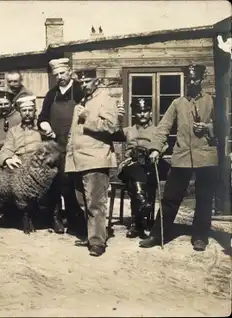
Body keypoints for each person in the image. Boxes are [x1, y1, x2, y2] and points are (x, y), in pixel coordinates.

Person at [140, 64, 219, 251]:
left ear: (202, 79)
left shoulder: (212, 101)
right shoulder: (177, 104)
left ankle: (200, 236)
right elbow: (163, 128)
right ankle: (157, 234)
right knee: (170, 197)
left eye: (195, 79)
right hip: (182, 156)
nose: (191, 82)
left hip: (207, 156)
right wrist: (155, 149)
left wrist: (208, 128)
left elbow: (224, 128)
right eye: (189, 79)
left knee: (204, 197)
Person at [0, 95, 65, 233]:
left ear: (35, 111)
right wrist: (9, 157)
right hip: (20, 166)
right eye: (24, 110)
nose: (27, 113)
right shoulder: (14, 131)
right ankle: (24, 216)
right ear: (20, 112)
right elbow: (7, 149)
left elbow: (53, 149)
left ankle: (55, 217)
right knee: (9, 180)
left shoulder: (43, 129)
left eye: (30, 110)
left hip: (39, 165)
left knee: (54, 179)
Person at [65, 68, 118, 257]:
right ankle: (91, 235)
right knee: (83, 201)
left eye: (88, 81)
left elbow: (111, 126)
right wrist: (69, 159)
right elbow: (73, 134)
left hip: (96, 158)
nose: (84, 85)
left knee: (95, 202)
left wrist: (87, 116)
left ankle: (97, 242)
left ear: (97, 81)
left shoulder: (106, 99)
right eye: (81, 82)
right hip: (78, 160)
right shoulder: (81, 102)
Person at [38, 58, 85, 234]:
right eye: (56, 75)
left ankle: (75, 219)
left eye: (62, 73)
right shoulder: (51, 95)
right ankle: (56, 218)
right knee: (56, 182)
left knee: (73, 184)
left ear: (70, 71)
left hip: (76, 145)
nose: (59, 77)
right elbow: (42, 117)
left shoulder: (80, 90)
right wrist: (45, 126)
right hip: (56, 145)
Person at [114, 98, 168, 238]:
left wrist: (151, 151)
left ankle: (137, 223)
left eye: (145, 111)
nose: (143, 114)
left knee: (137, 178)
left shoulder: (157, 131)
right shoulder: (128, 131)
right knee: (135, 170)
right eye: (139, 112)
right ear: (134, 114)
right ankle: (143, 204)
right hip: (131, 165)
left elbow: (164, 146)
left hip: (149, 166)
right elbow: (113, 133)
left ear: (150, 113)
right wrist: (118, 117)